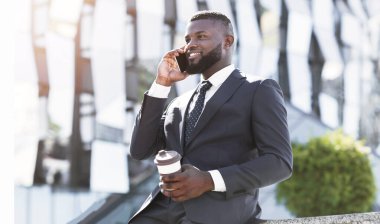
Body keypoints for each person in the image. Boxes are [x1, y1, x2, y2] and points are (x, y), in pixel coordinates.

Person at [129, 10, 293, 224]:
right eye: (187, 39)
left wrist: (208, 180)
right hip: (159, 214)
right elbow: (140, 150)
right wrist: (161, 84)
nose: (190, 44)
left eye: (201, 36)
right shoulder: (178, 103)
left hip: (218, 213)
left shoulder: (258, 90)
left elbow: (279, 163)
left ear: (227, 41)